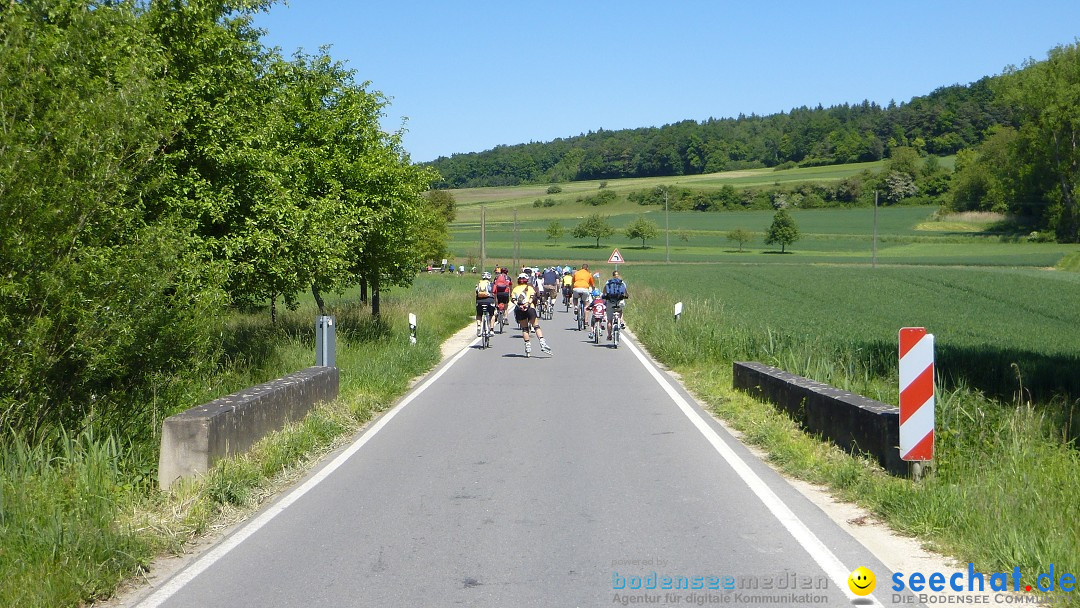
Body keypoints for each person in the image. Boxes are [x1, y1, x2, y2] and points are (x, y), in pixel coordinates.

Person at [510, 273, 552, 357]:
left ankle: (528, 346)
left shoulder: (515, 289)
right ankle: (542, 342)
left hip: (520, 309)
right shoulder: (529, 288)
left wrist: (519, 306)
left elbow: (513, 299)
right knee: (536, 326)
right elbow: (532, 297)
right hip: (529, 308)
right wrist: (528, 304)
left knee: (525, 328)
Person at [601, 269, 629, 341]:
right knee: (620, 310)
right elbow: (625, 292)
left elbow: (604, 292)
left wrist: (604, 297)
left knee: (609, 320)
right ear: (618, 275)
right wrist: (627, 296)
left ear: (612, 275)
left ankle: (609, 335)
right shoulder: (621, 282)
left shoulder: (608, 282)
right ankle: (621, 321)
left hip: (610, 302)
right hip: (619, 302)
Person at [571, 263, 595, 328]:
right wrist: (593, 290)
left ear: (581, 267)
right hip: (585, 289)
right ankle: (586, 321)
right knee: (586, 305)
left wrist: (572, 289)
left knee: (575, 298)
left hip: (576, 288)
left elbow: (572, 282)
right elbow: (592, 284)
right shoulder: (589, 274)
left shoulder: (576, 273)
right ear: (587, 268)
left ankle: (575, 307)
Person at [474, 272, 496, 337]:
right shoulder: (492, 284)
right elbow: (494, 294)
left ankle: (478, 326)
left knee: (479, 314)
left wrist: (477, 303)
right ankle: (491, 330)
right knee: (492, 314)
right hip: (490, 301)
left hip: (479, 301)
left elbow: (476, 294)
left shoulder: (478, 284)